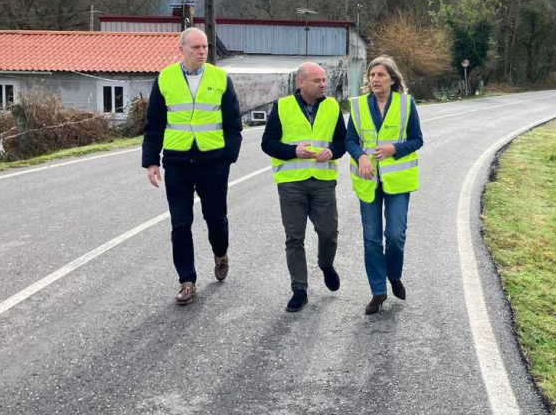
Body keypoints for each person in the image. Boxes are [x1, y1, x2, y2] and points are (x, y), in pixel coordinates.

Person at [142, 27, 243, 305]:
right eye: (196, 48)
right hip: (177, 161)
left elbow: (234, 123)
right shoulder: (165, 79)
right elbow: (154, 124)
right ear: (182, 49)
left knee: (215, 218)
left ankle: (220, 252)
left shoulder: (221, 79)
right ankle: (187, 281)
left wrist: (228, 157)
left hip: (213, 161)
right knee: (180, 223)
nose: (202, 52)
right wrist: (151, 161)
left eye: (205, 47)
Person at [261, 62, 347, 312]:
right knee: (294, 238)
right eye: (317, 81)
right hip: (291, 184)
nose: (323, 84)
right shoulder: (283, 106)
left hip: (322, 182)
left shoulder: (332, 106)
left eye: (324, 80)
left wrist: (332, 151)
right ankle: (299, 289)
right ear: (301, 82)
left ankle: (326, 264)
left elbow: (342, 142)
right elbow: (267, 144)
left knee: (329, 233)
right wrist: (293, 151)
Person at [346, 56, 424, 315]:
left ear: (392, 78)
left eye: (381, 75)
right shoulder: (357, 106)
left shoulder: (406, 104)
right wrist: (361, 156)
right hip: (368, 181)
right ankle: (378, 292)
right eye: (372, 75)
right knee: (371, 239)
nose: (375, 79)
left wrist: (395, 148)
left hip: (396, 182)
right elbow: (350, 140)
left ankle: (394, 274)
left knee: (395, 236)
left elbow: (417, 140)